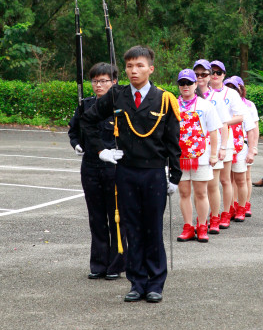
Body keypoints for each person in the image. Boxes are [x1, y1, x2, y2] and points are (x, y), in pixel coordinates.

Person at [81, 46, 181, 304]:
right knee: (132, 229)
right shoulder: (117, 96)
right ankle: (137, 282)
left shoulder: (164, 99)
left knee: (153, 229)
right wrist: (102, 150)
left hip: (154, 172)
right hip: (125, 172)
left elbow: (173, 141)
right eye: (129, 66)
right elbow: (87, 120)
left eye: (139, 65)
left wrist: (175, 176)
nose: (133, 71)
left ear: (151, 68)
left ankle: (156, 283)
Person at [68, 62, 127, 280]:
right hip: (91, 166)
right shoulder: (85, 105)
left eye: (103, 81)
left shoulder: (121, 105)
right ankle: (99, 263)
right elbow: (74, 130)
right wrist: (76, 144)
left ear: (114, 82)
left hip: (114, 167)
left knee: (117, 216)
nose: (98, 85)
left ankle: (117, 263)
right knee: (96, 216)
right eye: (94, 81)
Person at [175, 69, 221, 243]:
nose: (185, 86)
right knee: (184, 192)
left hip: (201, 156)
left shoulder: (205, 105)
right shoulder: (173, 104)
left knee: (201, 193)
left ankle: (202, 226)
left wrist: (214, 154)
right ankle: (188, 227)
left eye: (189, 83)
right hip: (180, 157)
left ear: (196, 84)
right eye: (182, 83)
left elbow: (213, 131)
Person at [193, 59, 230, 234]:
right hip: (193, 149)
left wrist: (222, 148)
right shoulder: (186, 96)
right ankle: (201, 218)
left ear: (210, 76)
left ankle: (214, 217)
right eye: (196, 74)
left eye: (204, 74)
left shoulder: (216, 98)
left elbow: (223, 125)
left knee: (212, 185)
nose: (200, 77)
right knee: (197, 187)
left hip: (211, 147)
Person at [207, 60, 244, 229]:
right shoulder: (203, 92)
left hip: (224, 140)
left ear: (224, 75)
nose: (215, 75)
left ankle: (226, 212)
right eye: (212, 72)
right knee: (209, 181)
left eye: (218, 72)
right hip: (205, 142)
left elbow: (240, 117)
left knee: (225, 179)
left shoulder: (230, 93)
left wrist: (222, 122)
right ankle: (212, 212)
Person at [224, 77, 258, 221]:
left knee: (242, 179)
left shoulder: (247, 106)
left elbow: (253, 128)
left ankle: (242, 207)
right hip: (226, 147)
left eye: (234, 88)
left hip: (240, 145)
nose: (231, 91)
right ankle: (231, 207)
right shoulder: (222, 105)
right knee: (228, 180)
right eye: (228, 87)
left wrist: (252, 148)